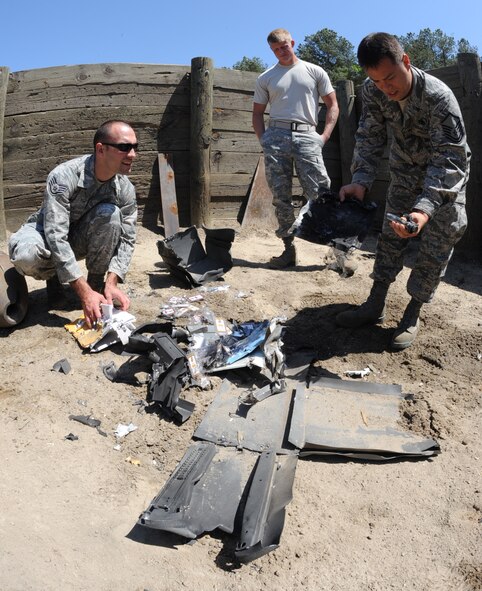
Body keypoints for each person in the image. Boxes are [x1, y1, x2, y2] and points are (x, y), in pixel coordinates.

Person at [336, 32, 470, 350]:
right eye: (377, 81)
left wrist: (424, 210)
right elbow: (369, 137)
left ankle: (413, 312)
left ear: (406, 61)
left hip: (445, 184)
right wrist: (361, 180)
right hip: (403, 176)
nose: (386, 87)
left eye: (391, 78)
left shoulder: (439, 98)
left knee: (439, 241)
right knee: (391, 238)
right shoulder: (374, 91)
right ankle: (375, 304)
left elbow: (450, 160)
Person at [8, 120, 139, 328]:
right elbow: (55, 235)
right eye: (124, 147)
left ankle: (96, 287)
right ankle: (56, 282)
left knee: (111, 214)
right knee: (27, 256)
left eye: (135, 147)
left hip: (77, 238)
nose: (132, 154)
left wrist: (112, 282)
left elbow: (128, 238)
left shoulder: (125, 189)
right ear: (101, 149)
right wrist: (82, 291)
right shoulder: (64, 176)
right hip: (44, 234)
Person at [252, 28, 339, 268]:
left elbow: (333, 105)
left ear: (292, 42)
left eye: (284, 46)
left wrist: (323, 137)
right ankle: (288, 250)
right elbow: (257, 114)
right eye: (275, 49)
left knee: (321, 193)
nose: (281, 51)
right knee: (280, 196)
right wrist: (264, 140)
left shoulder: (315, 71)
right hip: (276, 137)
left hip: (308, 135)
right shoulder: (266, 77)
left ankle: (336, 252)